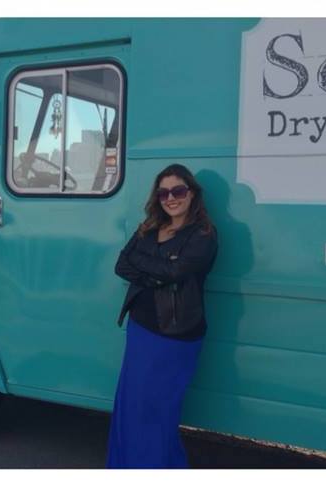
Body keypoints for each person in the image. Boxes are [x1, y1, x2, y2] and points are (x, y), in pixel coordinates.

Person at [106, 163, 219, 469]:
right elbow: (122, 265)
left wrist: (148, 265)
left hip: (175, 335)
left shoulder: (203, 234)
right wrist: (158, 274)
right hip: (141, 329)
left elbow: (176, 271)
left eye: (178, 191)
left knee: (157, 411)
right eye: (164, 193)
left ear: (192, 193)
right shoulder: (149, 227)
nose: (171, 198)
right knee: (132, 405)